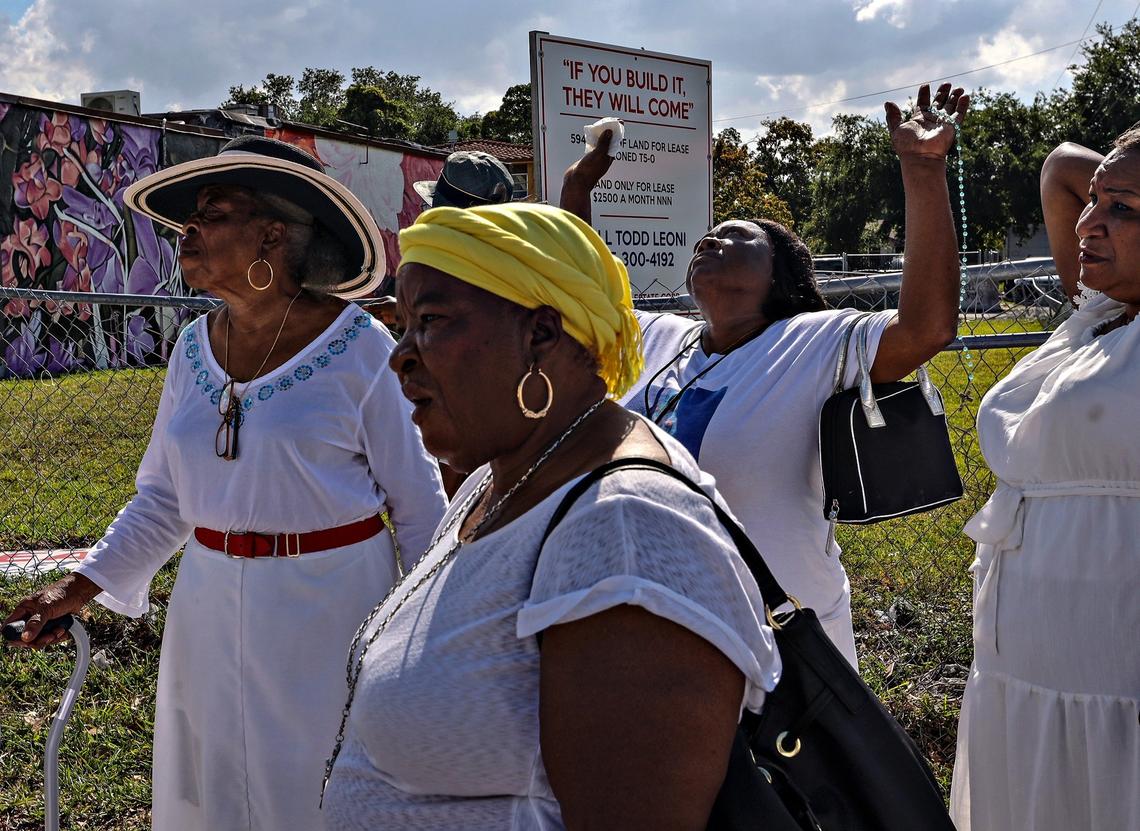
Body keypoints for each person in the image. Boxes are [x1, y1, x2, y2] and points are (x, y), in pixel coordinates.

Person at [3, 136, 448, 831]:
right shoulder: (190, 349)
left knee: (319, 793)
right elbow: (164, 498)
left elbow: (420, 508)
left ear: (272, 232)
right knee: (215, 792)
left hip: (330, 612)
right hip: (207, 609)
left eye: (212, 212)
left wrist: (426, 646)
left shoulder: (361, 348)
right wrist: (79, 585)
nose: (189, 230)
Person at [320, 202, 780, 829]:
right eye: (401, 326)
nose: (400, 355)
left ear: (541, 334)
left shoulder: (627, 532)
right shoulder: (498, 480)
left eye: (430, 320)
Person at [560, 83, 969, 667]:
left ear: (778, 274)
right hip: (664, 625)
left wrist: (923, 168)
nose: (711, 239)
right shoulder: (661, 339)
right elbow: (585, 293)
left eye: (736, 235)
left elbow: (926, 328)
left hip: (786, 640)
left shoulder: (812, 340)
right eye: (708, 235)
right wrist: (578, 188)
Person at [949, 130, 1140, 831]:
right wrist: (1117, 188)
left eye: (1121, 209)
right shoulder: (1096, 316)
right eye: (1094, 205)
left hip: (1116, 695)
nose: (1089, 221)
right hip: (1024, 683)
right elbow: (1062, 164)